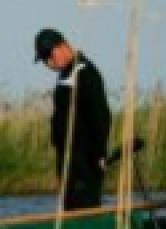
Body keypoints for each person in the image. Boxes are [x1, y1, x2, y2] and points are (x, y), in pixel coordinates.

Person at [34, 28, 112, 211]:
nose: (48, 63)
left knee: (84, 210)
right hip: (69, 164)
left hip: (85, 164)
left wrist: (99, 154)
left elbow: (100, 115)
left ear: (61, 48)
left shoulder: (84, 73)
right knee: (70, 209)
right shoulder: (66, 75)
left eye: (48, 56)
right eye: (45, 59)